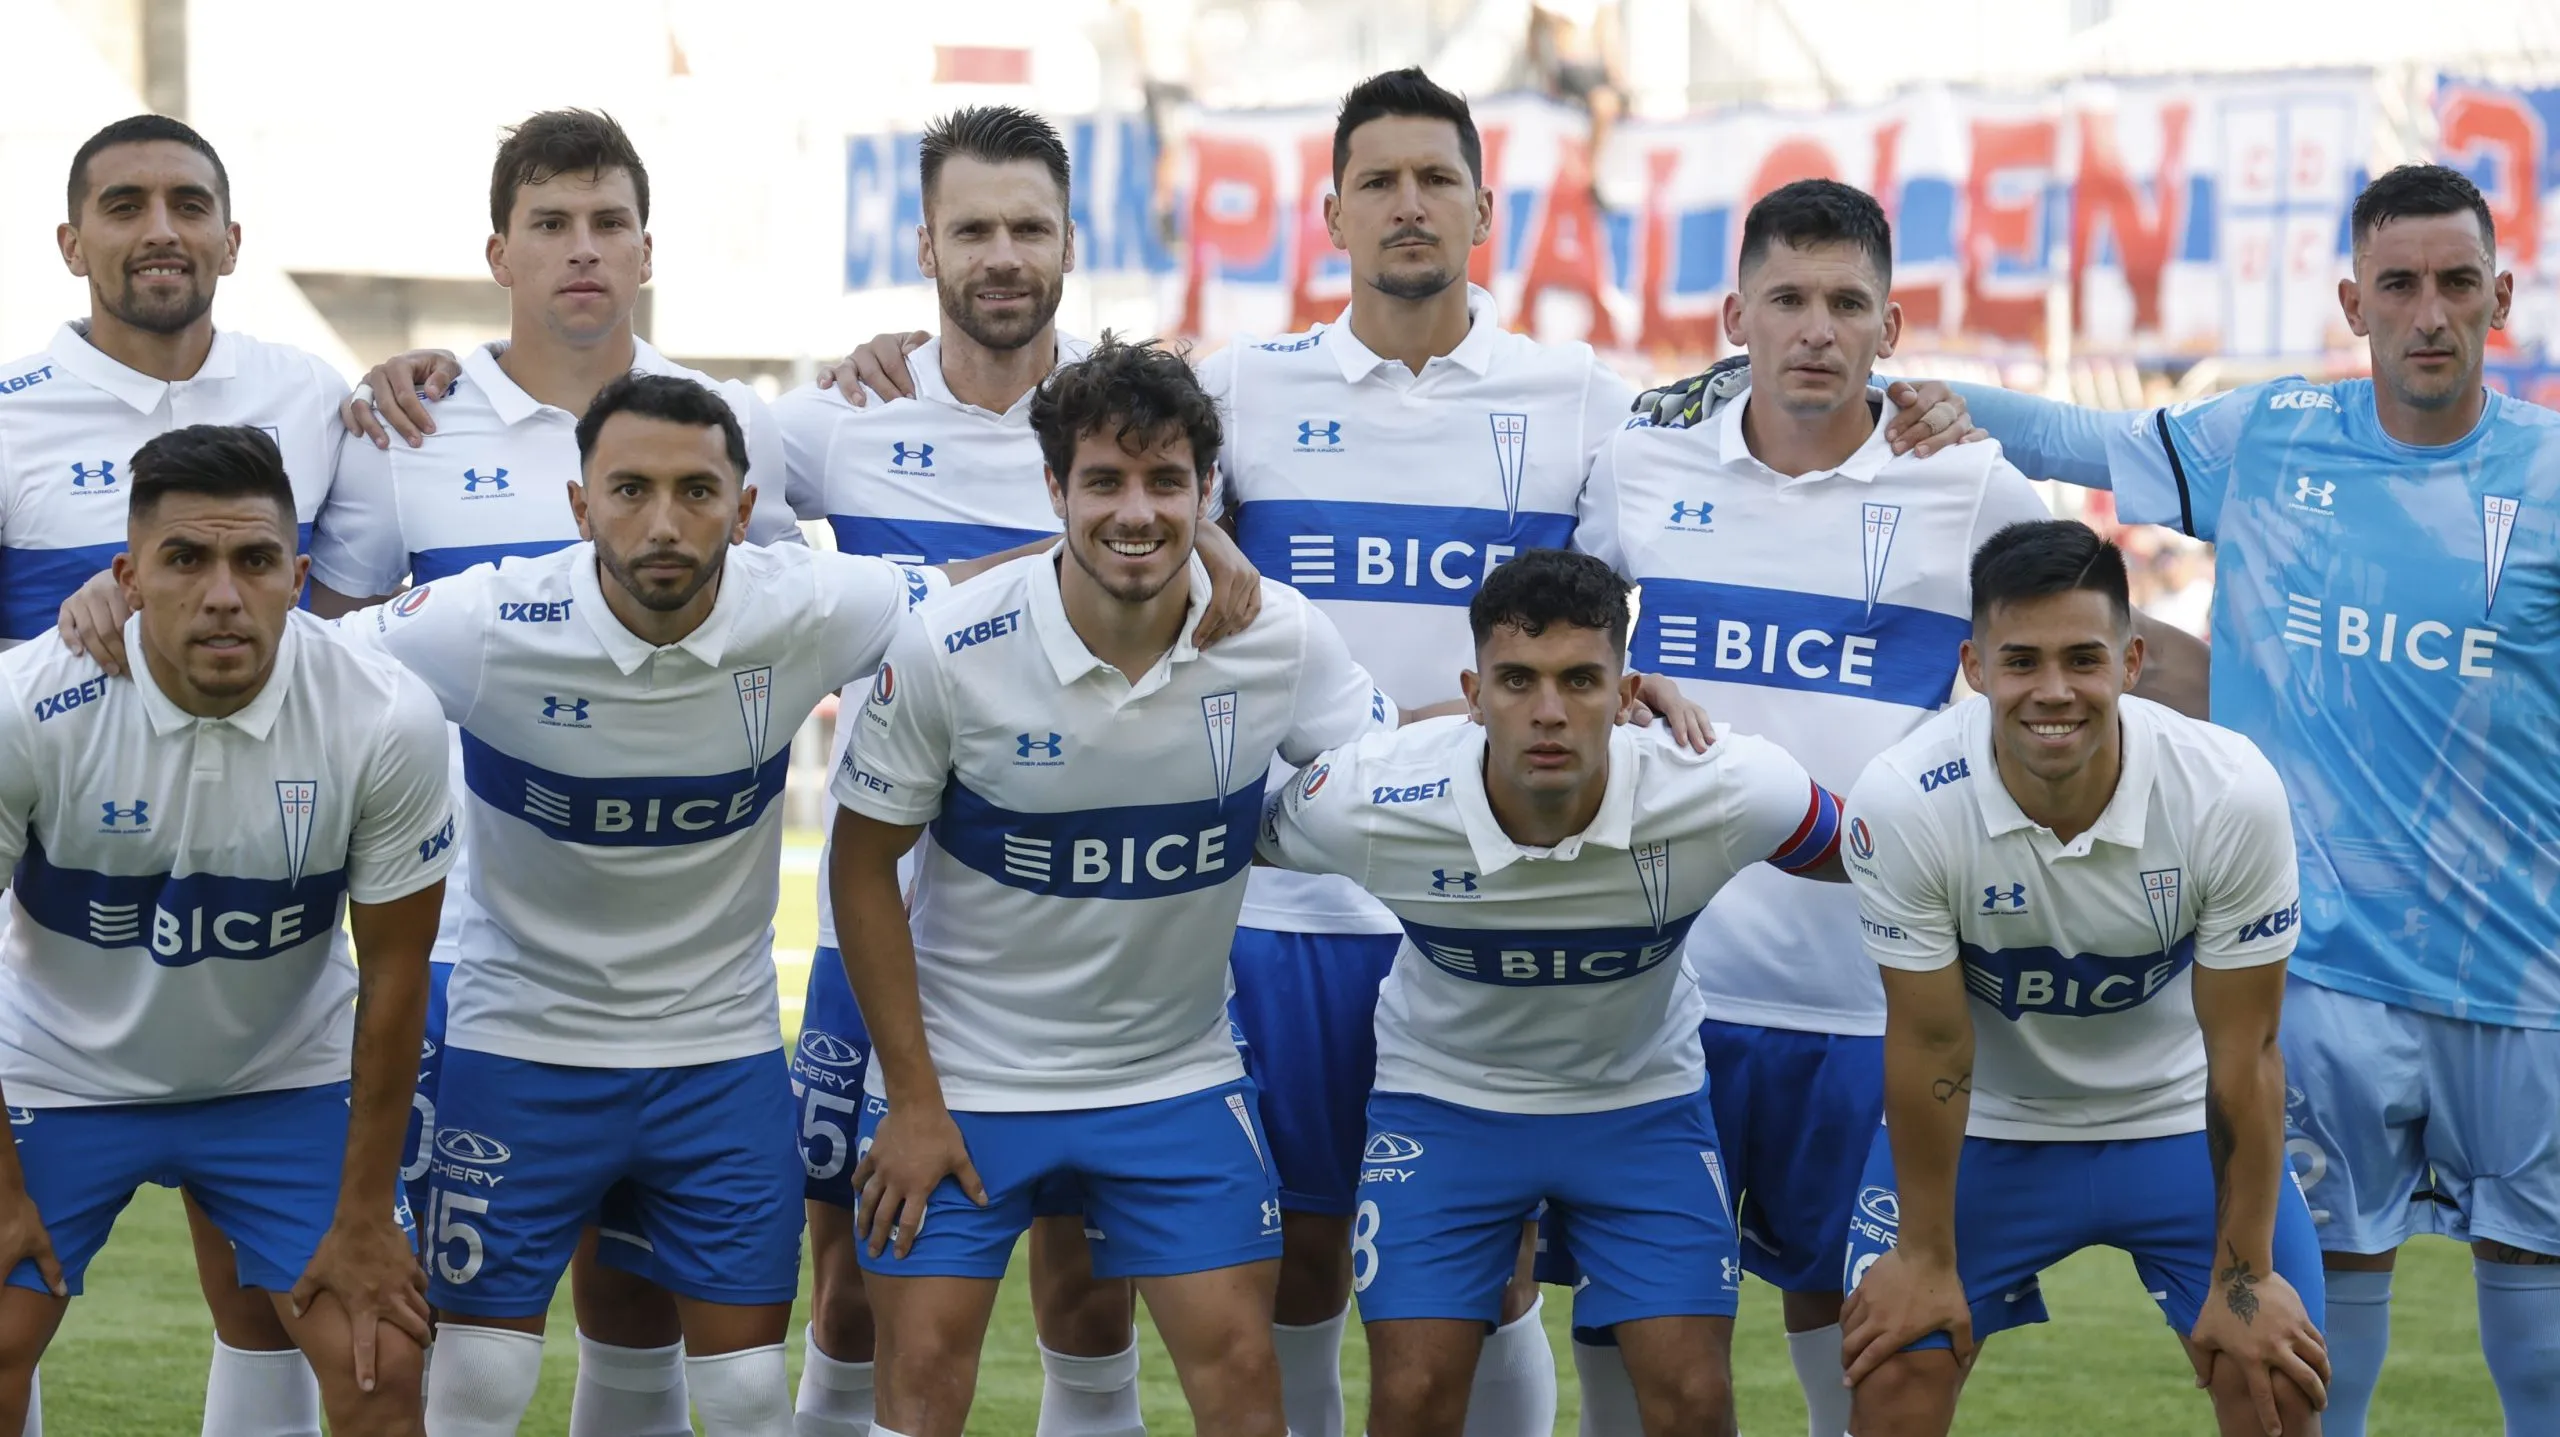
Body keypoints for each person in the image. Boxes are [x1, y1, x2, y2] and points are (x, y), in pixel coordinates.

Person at [817, 69, 1752, 1436]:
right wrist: (900, 357)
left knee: (1489, 1268)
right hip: (1280, 901)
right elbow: (1112, 464)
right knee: (1304, 1259)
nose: (1409, 204)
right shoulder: (1248, 382)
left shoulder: (1586, 400)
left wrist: (1931, 410)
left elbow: (1741, 468)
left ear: (1487, 208)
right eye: (1378, 180)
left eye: (1436, 179)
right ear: (1331, 212)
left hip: (1468, 872)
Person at [1762, 163, 2559, 1437]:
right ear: (2352, 302)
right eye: (2398, 285)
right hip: (2334, 969)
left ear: (2501, 297)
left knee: (2539, 1339)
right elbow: (2085, 440)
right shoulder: (2277, 437)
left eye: (2457, 284)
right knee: (2309, 1350)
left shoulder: (2551, 470)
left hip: (2523, 970)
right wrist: (1897, 394)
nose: (2428, 314)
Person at [1570, 178, 2205, 1437]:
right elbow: (1562, 643)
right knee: (1637, 1335)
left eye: (1844, 304)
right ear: (1735, 315)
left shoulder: (1965, 484)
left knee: (1854, 1332)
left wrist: (2304, 708)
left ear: (1889, 328)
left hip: (1870, 999)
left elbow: (2104, 641)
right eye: (1787, 300)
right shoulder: (1644, 465)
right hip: (1663, 991)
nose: (1815, 329)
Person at [319, 372, 987, 1437]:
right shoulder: (490, 621)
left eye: (696, 492)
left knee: (741, 1396)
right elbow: (303, 657)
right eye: (628, 491)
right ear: (580, 507)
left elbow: (984, 590)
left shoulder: (805, 604)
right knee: (479, 1384)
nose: (664, 523)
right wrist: (115, 614)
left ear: (746, 508)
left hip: (716, 1061)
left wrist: (1184, 549)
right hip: (519, 1049)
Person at [772, 104, 1254, 1437]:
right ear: (924, 242)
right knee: (858, 1289)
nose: (1001, 254)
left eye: (1026, 227)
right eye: (972, 227)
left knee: (1089, 1289)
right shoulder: (832, 421)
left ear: (1067, 242)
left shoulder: (1143, 418)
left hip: (1089, 939)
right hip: (883, 922)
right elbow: (656, 489)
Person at [830, 336, 1394, 1437]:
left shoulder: (1276, 637)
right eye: (1103, 481)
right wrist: (910, 1098)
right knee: (920, 1379)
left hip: (1169, 1078)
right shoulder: (950, 646)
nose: (1134, 512)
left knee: (1243, 1376)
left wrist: (1590, 712)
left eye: (1165, 482)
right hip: (968, 1079)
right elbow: (857, 863)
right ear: (1053, 489)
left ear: (1207, 493)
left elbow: (1398, 769)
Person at [1257, 548, 1850, 1436]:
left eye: (1580, 681)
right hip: (1443, 1105)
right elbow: (1218, 843)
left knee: (1694, 1401)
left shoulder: (1722, 784)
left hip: (1640, 1105)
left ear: (1626, 694)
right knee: (1413, 1398)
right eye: (1516, 680)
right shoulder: (1370, 794)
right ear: (1472, 690)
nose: (1547, 712)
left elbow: (1887, 855)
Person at [3, 113, 353, 1437]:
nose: (161, 229)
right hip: (58, 898)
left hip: (258, 870)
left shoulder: (316, 395)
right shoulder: (11, 413)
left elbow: (358, 601)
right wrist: (71, 638)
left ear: (230, 235)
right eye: (126, 203)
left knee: (265, 1287)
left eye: (188, 203)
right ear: (71, 238)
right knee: (13, 1285)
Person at [0, 424, 454, 1436]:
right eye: (185, 560)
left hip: (280, 1077)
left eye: (253, 562)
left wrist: (366, 1218)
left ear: (296, 577)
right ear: (128, 576)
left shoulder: (384, 716)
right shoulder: (26, 708)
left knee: (379, 1359)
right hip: (55, 1072)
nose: (221, 594)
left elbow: (393, 975)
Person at [1838, 519, 2329, 1437]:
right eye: (2020, 660)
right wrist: (1927, 1257)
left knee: (2276, 1384)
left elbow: (2247, 1048)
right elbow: (1932, 1041)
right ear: (1974, 667)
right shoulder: (1905, 798)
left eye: (2082, 658)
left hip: (2180, 1118)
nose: (2053, 691)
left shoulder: (2227, 790)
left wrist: (2246, 1277)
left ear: (2133, 660)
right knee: (1894, 1372)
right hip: (1991, 1125)